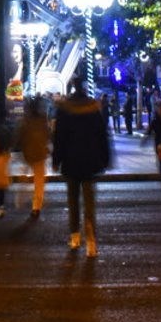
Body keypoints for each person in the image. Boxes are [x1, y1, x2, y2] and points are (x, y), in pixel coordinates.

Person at [52, 77, 111, 258]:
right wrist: (106, 158)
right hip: (90, 160)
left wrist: (56, 160)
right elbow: (102, 135)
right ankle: (91, 240)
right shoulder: (93, 109)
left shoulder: (65, 110)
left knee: (73, 200)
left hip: (71, 161)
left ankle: (75, 236)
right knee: (89, 202)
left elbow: (59, 138)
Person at [16, 98, 50, 219]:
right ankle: (36, 206)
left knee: (25, 176)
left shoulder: (25, 121)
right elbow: (48, 135)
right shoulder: (42, 120)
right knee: (39, 182)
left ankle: (21, 198)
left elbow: (19, 137)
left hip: (28, 153)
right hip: (40, 154)